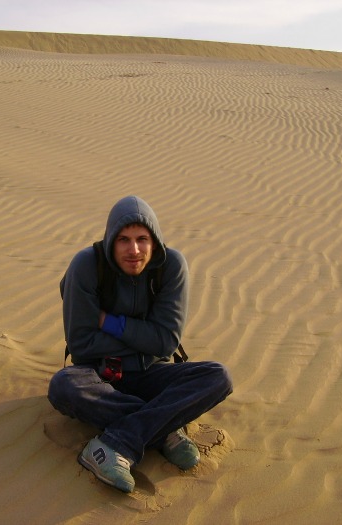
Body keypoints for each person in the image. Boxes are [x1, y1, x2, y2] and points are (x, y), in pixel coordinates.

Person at [48, 195, 232, 493]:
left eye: (142, 239)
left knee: (217, 377)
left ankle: (118, 442)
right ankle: (163, 429)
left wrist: (108, 322)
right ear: (110, 240)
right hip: (100, 376)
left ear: (155, 240)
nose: (134, 250)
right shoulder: (86, 265)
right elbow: (82, 345)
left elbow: (165, 342)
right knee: (63, 386)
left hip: (153, 374)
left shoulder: (170, 266)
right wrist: (145, 337)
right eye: (123, 240)